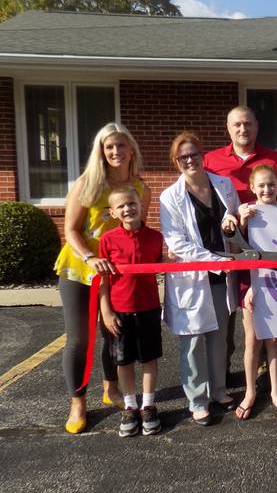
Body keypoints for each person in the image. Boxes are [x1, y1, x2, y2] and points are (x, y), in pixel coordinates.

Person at [53, 123, 150, 434]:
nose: (116, 152)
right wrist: (90, 257)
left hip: (117, 275)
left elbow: (136, 230)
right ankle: (78, 401)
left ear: (131, 148)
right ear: (101, 152)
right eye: (109, 147)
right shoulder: (88, 184)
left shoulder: (141, 188)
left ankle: (111, 389)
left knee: (114, 333)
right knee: (79, 338)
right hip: (80, 271)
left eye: (121, 145)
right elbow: (70, 231)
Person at [204, 106, 277, 376]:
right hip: (225, 247)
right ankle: (222, 374)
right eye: (237, 125)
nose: (243, 129)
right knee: (227, 315)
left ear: (257, 126)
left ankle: (264, 369)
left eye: (248, 124)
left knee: (262, 311)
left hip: (265, 249)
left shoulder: (275, 159)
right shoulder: (210, 160)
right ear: (228, 128)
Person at [160, 132, 239, 426]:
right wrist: (217, 261)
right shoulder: (170, 197)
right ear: (176, 162)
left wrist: (236, 219)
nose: (190, 160)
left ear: (202, 155)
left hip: (222, 275)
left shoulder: (224, 185)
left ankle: (218, 390)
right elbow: (177, 244)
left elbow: (234, 222)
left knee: (219, 337)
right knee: (193, 342)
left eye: (194, 154)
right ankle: (197, 400)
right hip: (192, 278)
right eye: (183, 157)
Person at [226, 164, 277, 420]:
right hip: (251, 284)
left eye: (271, 184)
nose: (267, 189)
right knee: (252, 340)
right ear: (252, 188)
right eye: (261, 185)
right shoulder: (247, 213)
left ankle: (276, 391)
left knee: (274, 340)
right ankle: (250, 392)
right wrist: (241, 221)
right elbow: (237, 250)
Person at [98, 186, 164, 437]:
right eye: (121, 206)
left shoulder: (155, 237)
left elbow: (159, 267)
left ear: (140, 204)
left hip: (147, 307)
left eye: (132, 203)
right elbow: (103, 281)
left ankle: (148, 404)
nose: (128, 209)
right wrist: (106, 312)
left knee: (149, 358)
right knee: (123, 361)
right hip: (119, 311)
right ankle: (130, 405)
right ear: (113, 212)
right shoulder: (108, 240)